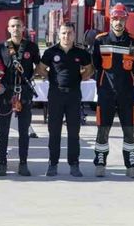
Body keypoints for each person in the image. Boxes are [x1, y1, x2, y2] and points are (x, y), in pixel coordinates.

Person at [0, 15, 40, 177]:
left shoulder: (31, 47)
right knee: (3, 130)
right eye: (13, 26)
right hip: (5, 92)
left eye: (18, 26)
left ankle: (23, 164)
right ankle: (2, 164)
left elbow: (40, 66)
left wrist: (31, 77)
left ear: (23, 28)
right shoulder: (1, 47)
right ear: (8, 29)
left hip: (25, 92)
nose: (16, 29)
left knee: (23, 130)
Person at [91, 3, 134, 178]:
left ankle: (131, 165)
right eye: (115, 19)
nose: (118, 22)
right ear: (110, 20)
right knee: (102, 130)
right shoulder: (100, 40)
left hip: (127, 95)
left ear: (126, 19)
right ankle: (100, 164)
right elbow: (95, 64)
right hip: (105, 94)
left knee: (129, 131)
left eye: (121, 19)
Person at [37, 22, 93, 177]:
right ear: (58, 34)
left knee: (74, 132)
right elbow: (40, 69)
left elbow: (89, 69)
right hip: (56, 95)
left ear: (74, 35)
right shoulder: (50, 52)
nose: (66, 36)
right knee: (54, 131)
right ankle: (52, 164)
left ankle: (74, 164)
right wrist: (52, 78)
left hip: (74, 96)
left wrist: (79, 78)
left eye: (69, 33)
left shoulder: (81, 53)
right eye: (63, 33)